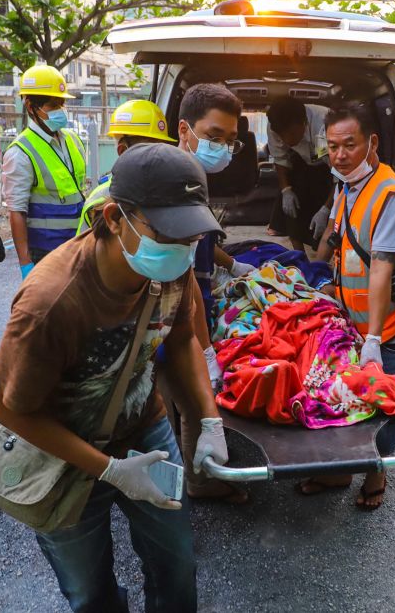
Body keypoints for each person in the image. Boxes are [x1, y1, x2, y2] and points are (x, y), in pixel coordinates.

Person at [0, 143, 230, 612]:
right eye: (167, 233)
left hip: (145, 432)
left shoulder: (172, 266)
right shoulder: (50, 303)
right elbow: (8, 408)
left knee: (177, 565)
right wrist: (108, 470)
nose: (182, 249)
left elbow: (180, 340)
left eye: (191, 236)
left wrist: (210, 420)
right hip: (60, 454)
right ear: (115, 217)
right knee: (89, 591)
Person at [311, 103, 395, 509]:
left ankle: (376, 476)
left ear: (372, 142)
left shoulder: (390, 195)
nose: (339, 155)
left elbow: (382, 271)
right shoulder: (347, 186)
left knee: (382, 409)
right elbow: (338, 241)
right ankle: (339, 472)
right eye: (333, 146)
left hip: (388, 331)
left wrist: (372, 337)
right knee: (345, 402)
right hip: (351, 324)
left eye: (349, 145)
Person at [173, 83, 253, 504]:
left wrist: (232, 266)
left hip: (191, 301)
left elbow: (201, 246)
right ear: (185, 129)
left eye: (230, 141)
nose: (222, 148)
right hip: (172, 312)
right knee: (187, 400)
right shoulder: (170, 182)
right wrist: (203, 345)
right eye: (213, 136)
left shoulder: (193, 178)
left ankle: (195, 479)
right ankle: (188, 486)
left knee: (186, 402)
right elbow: (180, 277)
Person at [2, 64, 86, 279]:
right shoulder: (21, 152)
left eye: (62, 103)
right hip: (46, 252)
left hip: (78, 243)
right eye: (52, 105)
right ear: (30, 106)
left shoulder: (73, 140)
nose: (60, 110)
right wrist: (25, 264)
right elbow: (17, 212)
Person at [76, 99, 177, 235]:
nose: (158, 157)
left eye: (160, 149)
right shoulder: (100, 199)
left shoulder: (174, 189)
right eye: (149, 150)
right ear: (123, 150)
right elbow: (86, 252)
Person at [266, 97, 333, 250]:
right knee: (292, 208)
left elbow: (339, 175)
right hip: (301, 160)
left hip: (327, 165)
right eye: (282, 136)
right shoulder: (274, 126)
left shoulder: (324, 125)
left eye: (291, 133)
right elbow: (280, 158)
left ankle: (322, 253)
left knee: (325, 217)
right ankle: (299, 256)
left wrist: (326, 209)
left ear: (304, 123)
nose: (287, 140)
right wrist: (286, 190)